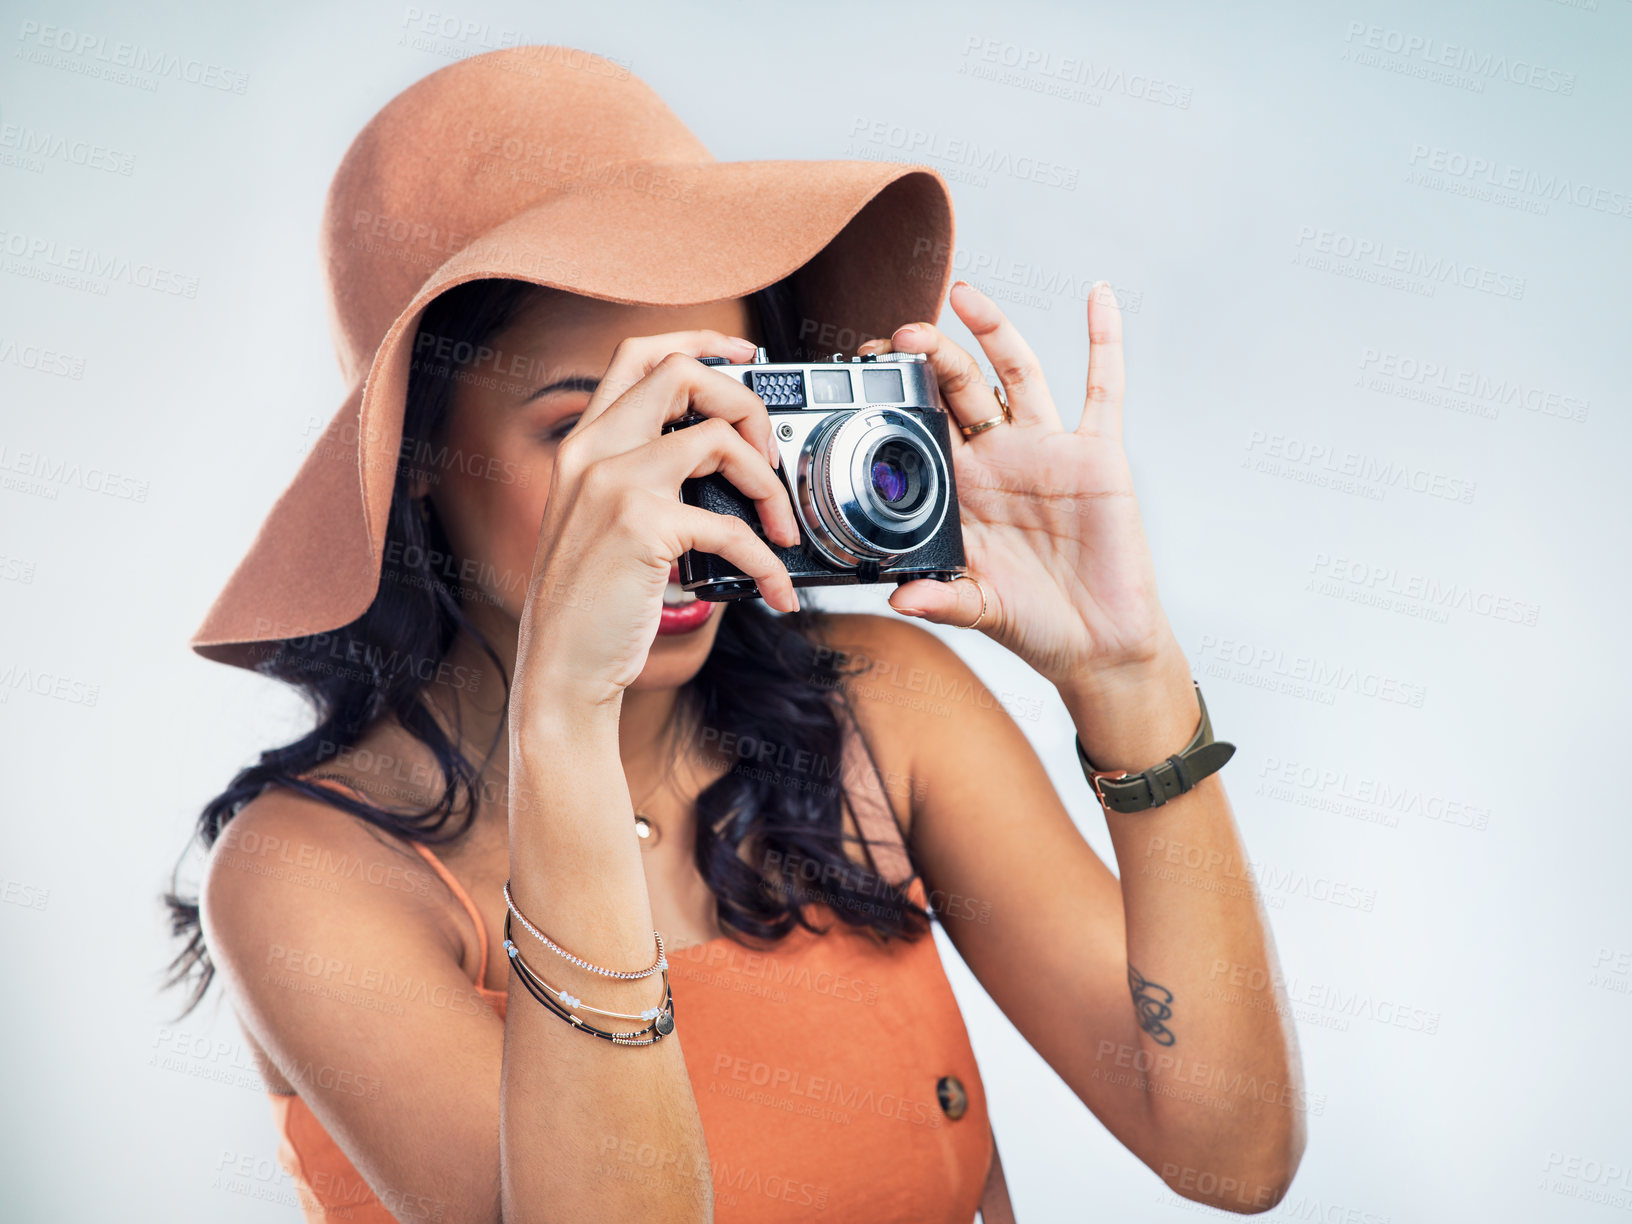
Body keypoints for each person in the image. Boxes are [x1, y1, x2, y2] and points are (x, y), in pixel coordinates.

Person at [164, 45, 1304, 1223]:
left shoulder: (884, 709)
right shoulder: (308, 879)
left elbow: (1235, 1151)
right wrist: (566, 723)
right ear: (416, 464)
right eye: (592, 428)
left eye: (721, 400)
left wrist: (1130, 676)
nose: (688, 481)